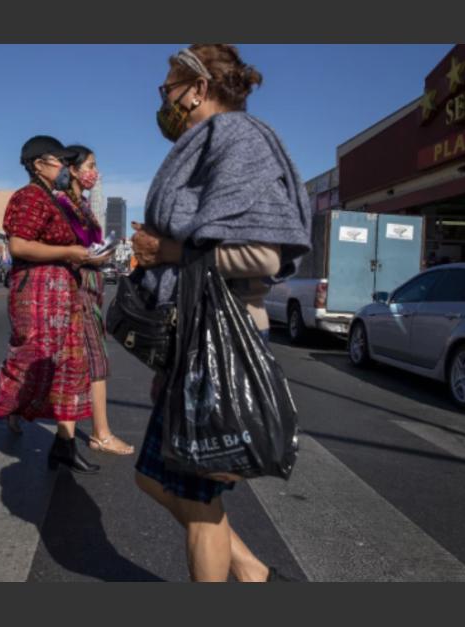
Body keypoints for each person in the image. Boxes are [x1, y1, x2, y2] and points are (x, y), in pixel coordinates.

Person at [130, 44, 311, 582]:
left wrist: (169, 252)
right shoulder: (208, 144)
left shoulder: (239, 140)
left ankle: (250, 579)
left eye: (168, 89)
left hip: (223, 340)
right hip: (193, 336)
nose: (164, 100)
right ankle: (255, 575)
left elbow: (264, 256)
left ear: (198, 89)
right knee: (156, 478)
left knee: (198, 497)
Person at [0, 136, 111, 472]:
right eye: (59, 161)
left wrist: (88, 257)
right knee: (28, 365)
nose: (65, 167)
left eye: (68, 162)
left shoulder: (56, 199)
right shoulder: (28, 196)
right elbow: (20, 246)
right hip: (36, 293)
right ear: (38, 164)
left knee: (70, 367)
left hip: (65, 291)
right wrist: (69, 252)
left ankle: (63, 446)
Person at [41, 144, 134, 455]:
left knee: (61, 361)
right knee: (94, 360)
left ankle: (21, 412)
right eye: (90, 165)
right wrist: (93, 255)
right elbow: (70, 247)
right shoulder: (62, 203)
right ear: (73, 169)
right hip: (75, 290)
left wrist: (103, 251)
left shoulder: (81, 204)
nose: (94, 172)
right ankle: (100, 433)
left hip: (90, 289)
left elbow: (90, 245)